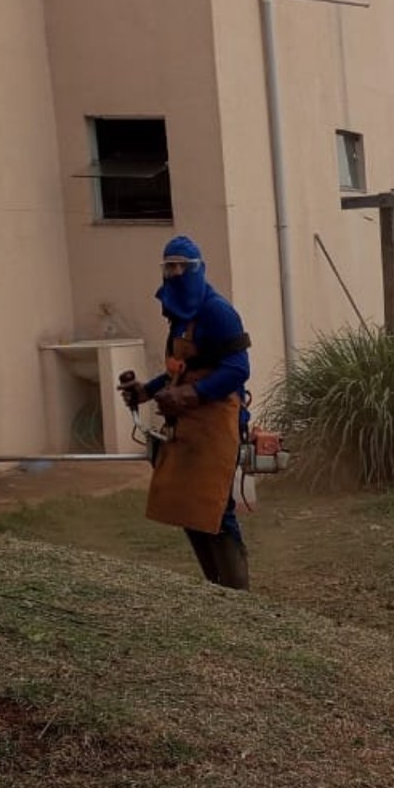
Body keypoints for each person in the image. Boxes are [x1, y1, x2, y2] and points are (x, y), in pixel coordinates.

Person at [120, 236, 253, 590]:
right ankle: (213, 587)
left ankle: (238, 593)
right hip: (188, 425)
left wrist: (191, 394)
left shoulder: (218, 312)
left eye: (183, 266)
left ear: (198, 269)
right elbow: (184, 367)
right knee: (188, 508)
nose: (176, 273)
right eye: (170, 266)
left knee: (216, 507)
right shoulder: (178, 314)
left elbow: (238, 369)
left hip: (219, 422)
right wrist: (147, 391)